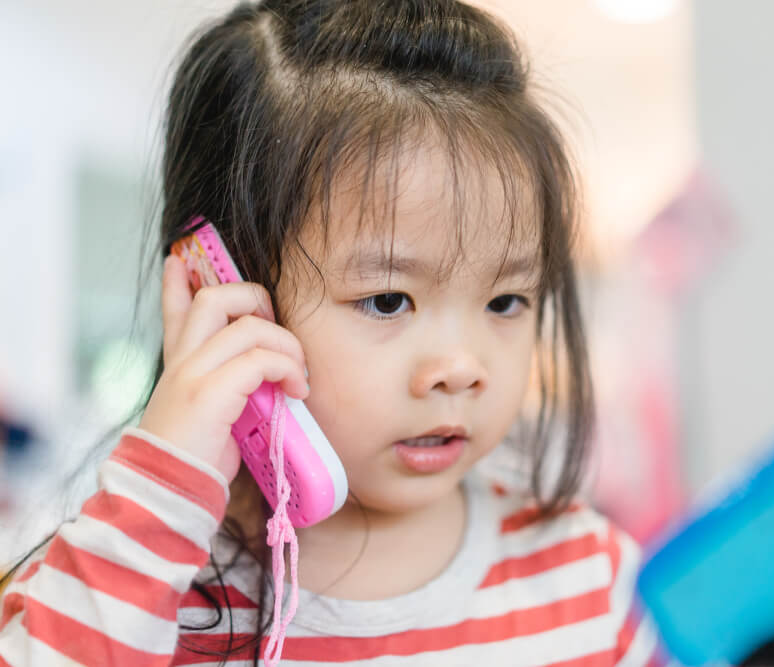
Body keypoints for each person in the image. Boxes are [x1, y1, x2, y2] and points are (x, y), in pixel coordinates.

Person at [0, 0, 667, 664]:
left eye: (505, 301)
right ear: (220, 291)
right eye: (388, 300)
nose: (463, 367)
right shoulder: (124, 589)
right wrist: (158, 496)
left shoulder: (591, 578)